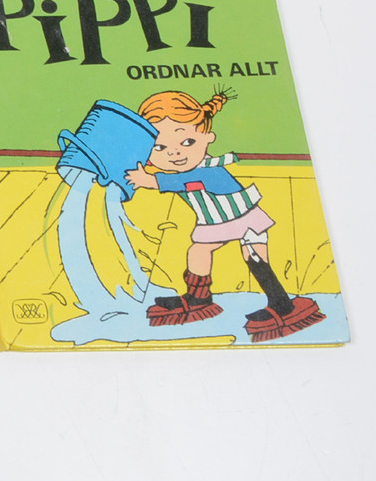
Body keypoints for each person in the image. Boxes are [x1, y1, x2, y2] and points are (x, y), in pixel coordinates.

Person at [122, 90, 324, 340]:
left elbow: (188, 181)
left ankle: (281, 304)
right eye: (160, 147)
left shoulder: (210, 169)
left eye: (187, 142)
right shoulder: (176, 170)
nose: (174, 153)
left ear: (207, 138)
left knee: (254, 257)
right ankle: (198, 298)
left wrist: (151, 181)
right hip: (215, 223)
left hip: (243, 219)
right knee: (198, 251)